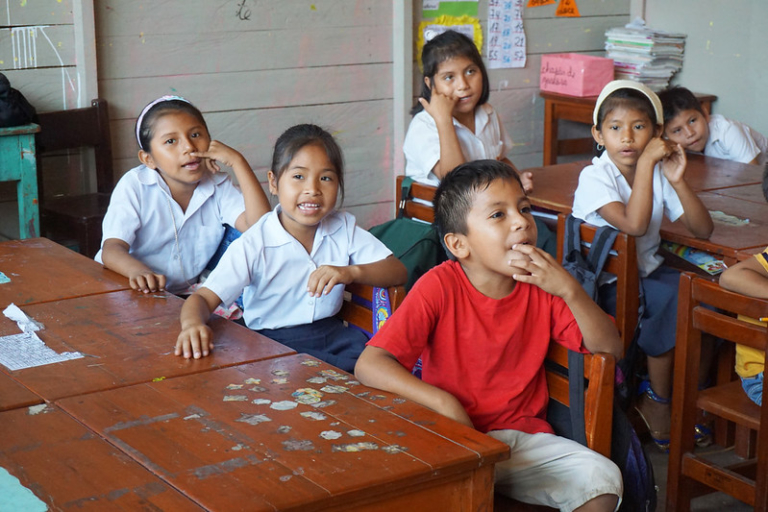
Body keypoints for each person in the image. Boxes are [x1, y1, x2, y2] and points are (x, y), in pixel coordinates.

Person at [356, 160, 623, 512]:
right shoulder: (439, 285)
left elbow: (611, 348)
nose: (521, 221)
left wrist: (570, 290)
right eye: (498, 215)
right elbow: (370, 364)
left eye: (524, 208)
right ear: (459, 244)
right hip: (451, 436)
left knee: (603, 480)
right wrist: (443, 403)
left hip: (520, 444)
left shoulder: (542, 286)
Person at [176, 124, 407, 371]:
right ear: (273, 183)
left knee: (377, 372)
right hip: (268, 343)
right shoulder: (256, 243)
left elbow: (397, 271)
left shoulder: (342, 228)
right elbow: (202, 297)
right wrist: (192, 326)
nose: (312, 189)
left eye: (326, 178)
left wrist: (350, 272)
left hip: (332, 338)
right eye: (298, 176)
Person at [572, 80, 714, 452]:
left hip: (645, 272)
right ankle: (659, 400)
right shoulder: (595, 176)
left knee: (710, 297)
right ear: (598, 135)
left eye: (639, 127)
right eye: (615, 128)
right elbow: (633, 225)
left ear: (655, 132)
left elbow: (703, 228)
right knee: (673, 295)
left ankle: (688, 399)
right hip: (606, 282)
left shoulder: (654, 171)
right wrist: (651, 161)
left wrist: (678, 181)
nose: (628, 138)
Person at [96, 95, 270, 295]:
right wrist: (138, 271)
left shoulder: (219, 185)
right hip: (127, 287)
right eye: (171, 141)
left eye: (196, 135)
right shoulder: (136, 186)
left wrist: (238, 163)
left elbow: (261, 230)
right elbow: (111, 248)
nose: (189, 147)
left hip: (184, 295)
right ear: (148, 159)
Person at [403, 29, 555, 256]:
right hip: (445, 224)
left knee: (543, 234)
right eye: (449, 77)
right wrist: (443, 120)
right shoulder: (424, 125)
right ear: (430, 84)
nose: (463, 84)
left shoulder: (487, 113)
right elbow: (453, 179)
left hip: (488, 212)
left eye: (470, 71)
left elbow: (499, 158)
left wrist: (516, 179)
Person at [659, 86, 768, 165]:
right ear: (665, 135)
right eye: (677, 130)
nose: (690, 133)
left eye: (692, 121)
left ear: (705, 114)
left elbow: (753, 176)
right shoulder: (674, 144)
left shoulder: (728, 130)